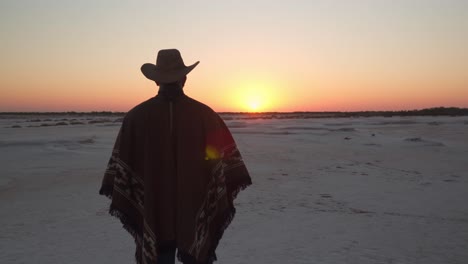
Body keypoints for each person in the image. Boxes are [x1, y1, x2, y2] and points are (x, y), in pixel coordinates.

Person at [99, 49, 252, 264]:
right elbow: (227, 164)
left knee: (159, 253)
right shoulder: (205, 116)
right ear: (184, 78)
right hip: (194, 207)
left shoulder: (135, 118)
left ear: (156, 81)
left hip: (153, 209)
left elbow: (122, 169)